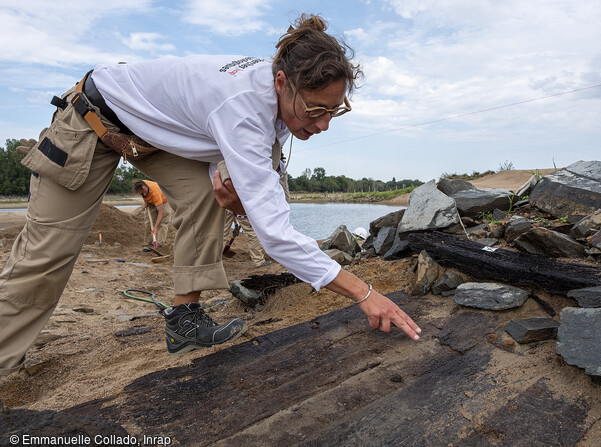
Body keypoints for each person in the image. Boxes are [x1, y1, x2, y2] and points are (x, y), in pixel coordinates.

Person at [0, 14, 420, 374]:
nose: (324, 124)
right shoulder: (242, 111)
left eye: (334, 111)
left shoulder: (276, 94)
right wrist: (365, 293)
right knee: (47, 252)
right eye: (315, 110)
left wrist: (242, 205)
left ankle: (184, 320)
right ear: (281, 83)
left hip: (155, 129)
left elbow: (257, 192)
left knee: (207, 192)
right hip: (93, 119)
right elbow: (275, 237)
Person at [133, 179, 172, 248]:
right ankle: (147, 244)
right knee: (149, 223)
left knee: (163, 222)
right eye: (141, 193)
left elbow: (161, 212)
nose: (144, 194)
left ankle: (159, 245)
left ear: (147, 187)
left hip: (164, 201)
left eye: (145, 192)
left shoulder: (155, 193)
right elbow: (144, 194)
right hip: (151, 202)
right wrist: (146, 201)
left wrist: (156, 228)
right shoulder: (139, 185)